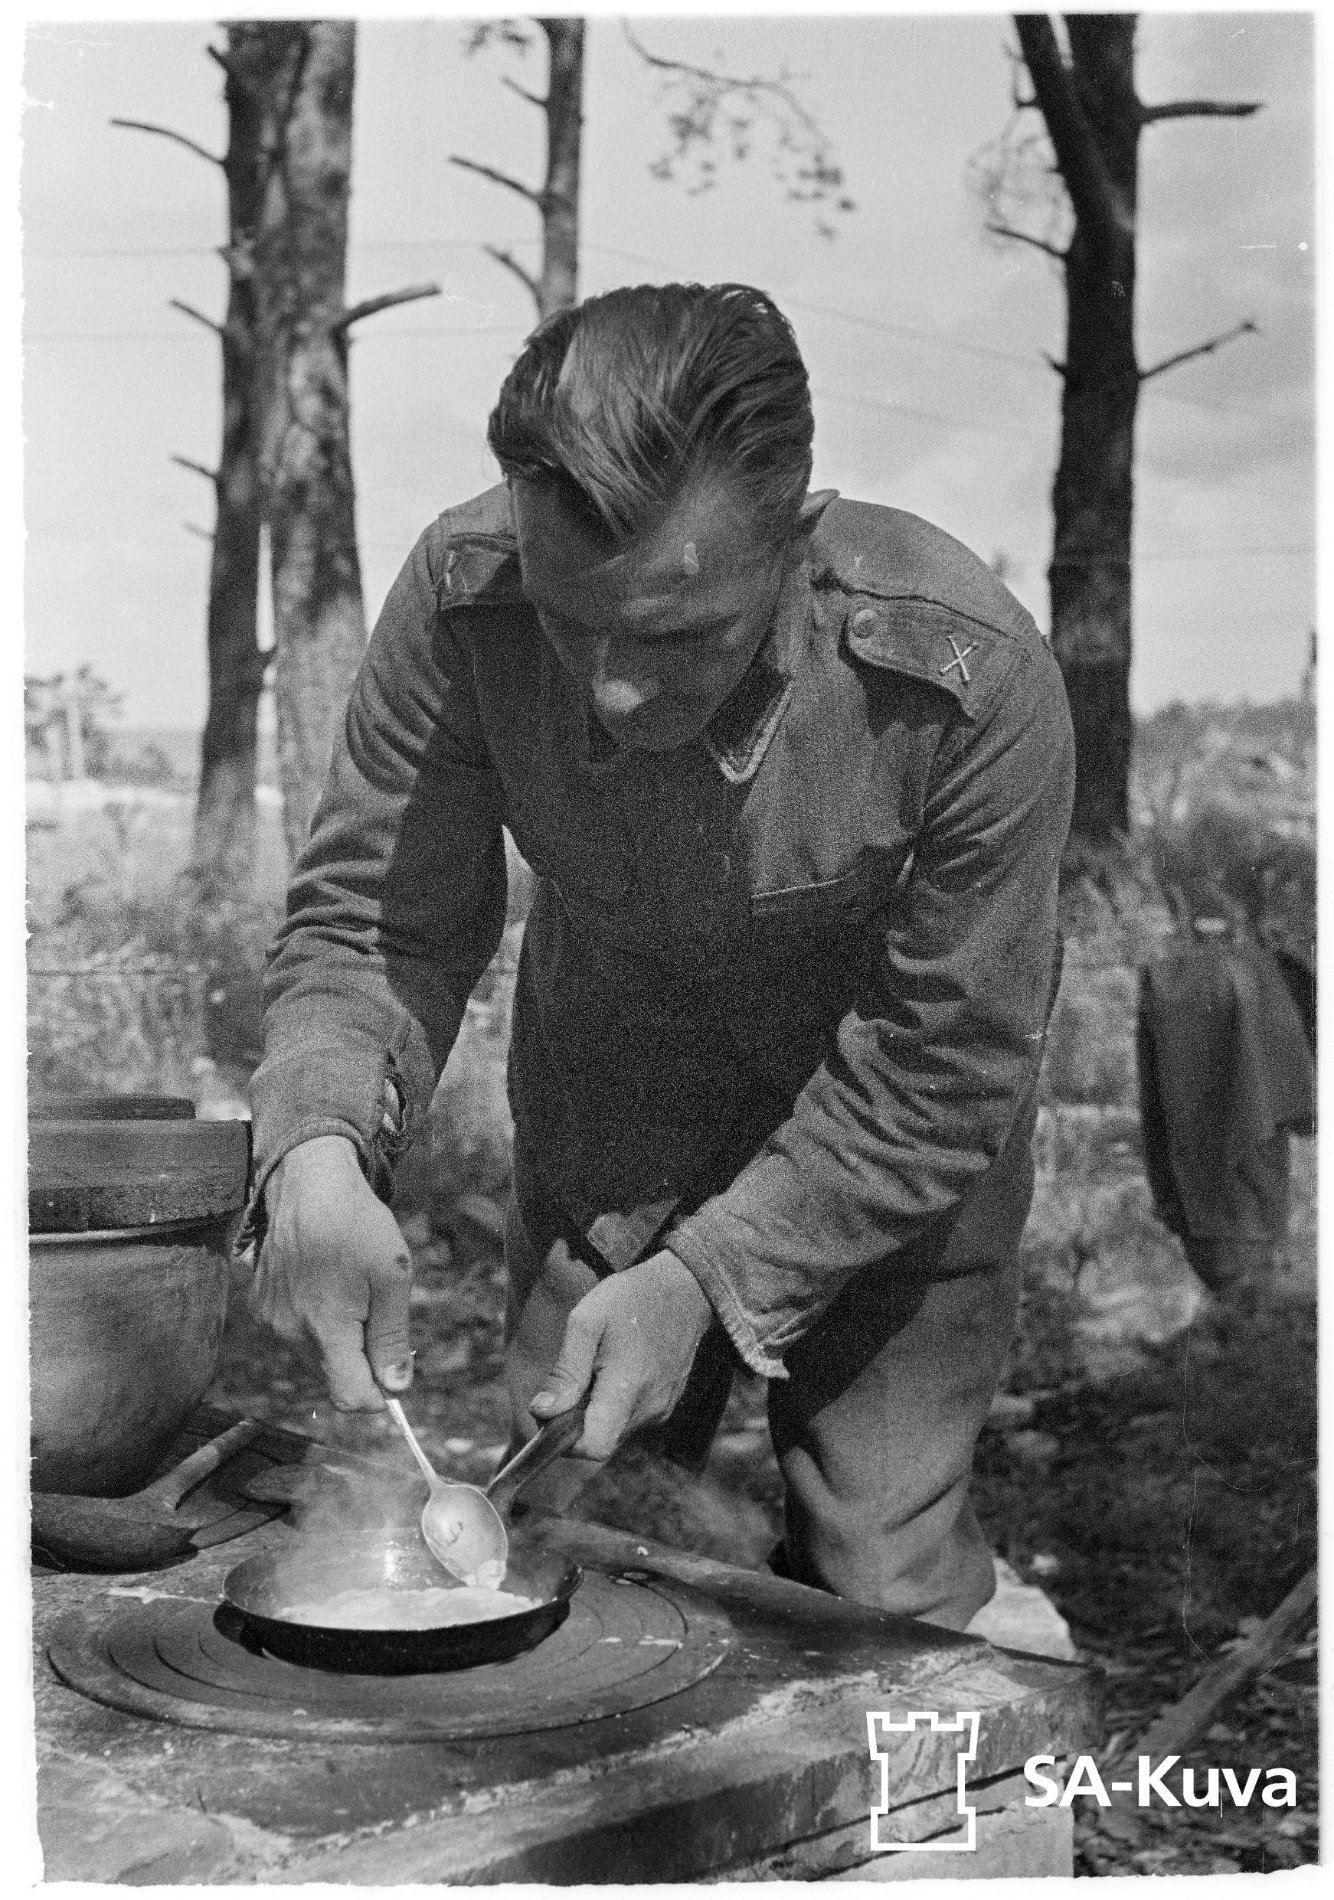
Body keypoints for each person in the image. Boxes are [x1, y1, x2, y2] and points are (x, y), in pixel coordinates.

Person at [247, 282, 1075, 1629]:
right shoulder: (462, 595)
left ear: (794, 540)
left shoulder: (970, 680)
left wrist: (710, 1282)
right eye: (568, 621)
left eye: (676, 633)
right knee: (554, 1556)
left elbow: (949, 1058)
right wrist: (318, 1149)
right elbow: (377, 922)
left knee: (884, 1589)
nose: (610, 689)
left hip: (897, 1163)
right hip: (611, 1135)